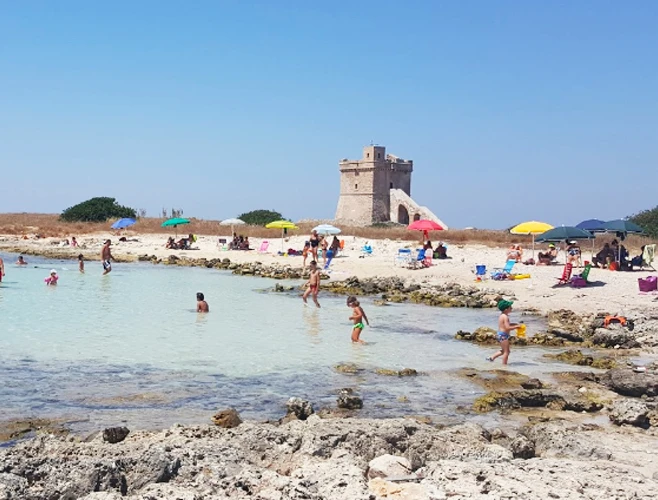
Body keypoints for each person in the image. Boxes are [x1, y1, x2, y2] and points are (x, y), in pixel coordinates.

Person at [487, 300, 521, 365]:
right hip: (503, 336)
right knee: (507, 352)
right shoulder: (505, 317)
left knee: (504, 351)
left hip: (501, 335)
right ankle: (504, 366)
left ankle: (491, 358)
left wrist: (515, 324)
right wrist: (516, 327)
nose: (512, 308)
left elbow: (506, 325)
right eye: (510, 307)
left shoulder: (502, 315)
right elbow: (507, 328)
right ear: (506, 309)